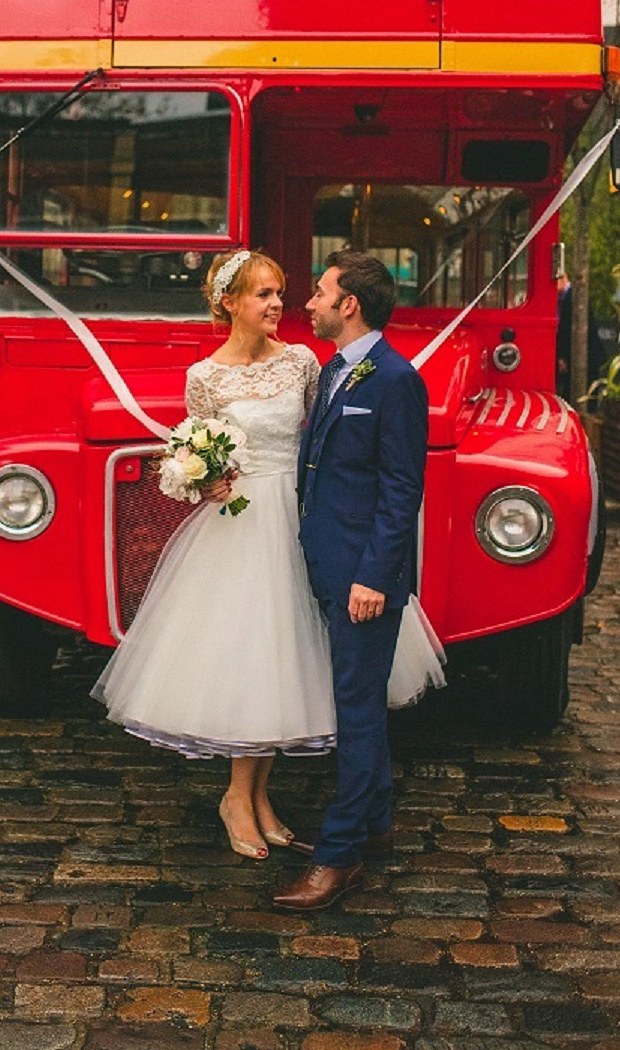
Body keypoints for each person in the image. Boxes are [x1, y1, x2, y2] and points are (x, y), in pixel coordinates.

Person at [92, 248, 444, 862]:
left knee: (289, 661)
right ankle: (238, 799)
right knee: (250, 657)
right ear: (229, 303)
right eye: (264, 294)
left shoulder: (307, 362)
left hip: (304, 520)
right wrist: (204, 480)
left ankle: (258, 799)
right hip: (241, 526)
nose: (281, 303)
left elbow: (326, 437)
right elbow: (194, 448)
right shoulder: (205, 377)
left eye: (283, 292)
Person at [273, 252, 431, 912]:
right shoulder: (337, 370)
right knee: (358, 697)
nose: (307, 301)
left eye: (318, 290)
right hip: (330, 561)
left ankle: (340, 855)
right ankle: (377, 818)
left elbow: (402, 490)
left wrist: (374, 575)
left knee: (356, 709)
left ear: (349, 306)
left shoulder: (395, 380)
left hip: (365, 577)